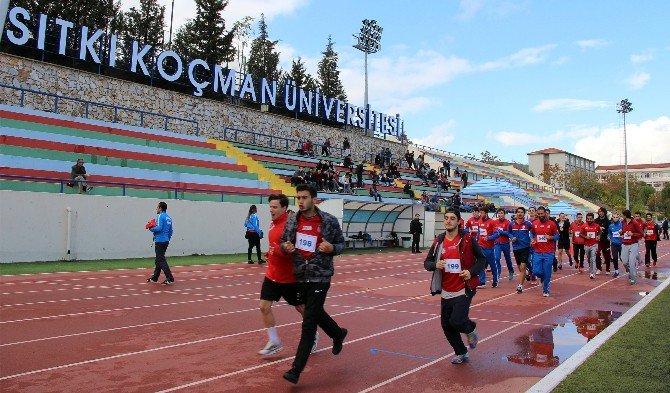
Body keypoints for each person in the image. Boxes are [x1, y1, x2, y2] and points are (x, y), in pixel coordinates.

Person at [280, 184, 348, 384]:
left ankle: (295, 370)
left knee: (309, 323)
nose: (300, 201)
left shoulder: (328, 220)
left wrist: (332, 248)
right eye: (298, 197)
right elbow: (284, 243)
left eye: (304, 197)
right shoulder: (292, 220)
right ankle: (337, 333)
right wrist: (286, 247)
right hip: (300, 275)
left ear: (314, 199)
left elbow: (342, 245)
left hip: (320, 276)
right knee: (314, 312)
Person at [258, 194, 319, 356]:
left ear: (284, 208)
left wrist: (276, 251)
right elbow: (275, 246)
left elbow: (294, 249)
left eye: (275, 207)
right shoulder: (273, 223)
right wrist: (270, 253)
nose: (271, 210)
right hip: (272, 275)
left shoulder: (291, 226)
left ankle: (312, 333)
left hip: (289, 278)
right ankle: (274, 342)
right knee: (264, 306)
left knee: (301, 308)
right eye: (270, 206)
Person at [424, 207, 485, 364]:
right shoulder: (439, 241)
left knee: (457, 321)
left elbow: (482, 260)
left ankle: (470, 328)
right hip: (446, 290)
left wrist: (471, 272)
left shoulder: (467, 239)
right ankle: (461, 353)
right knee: (446, 325)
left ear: (459, 221)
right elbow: (427, 263)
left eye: (452, 218)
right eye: (446, 218)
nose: (448, 221)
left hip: (463, 288)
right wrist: (435, 264)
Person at [529, 206, 560, 297]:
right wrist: (532, 239)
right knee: (535, 271)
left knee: (547, 272)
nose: (540, 215)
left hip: (549, 252)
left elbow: (558, 236)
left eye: (541, 214)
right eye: (538, 214)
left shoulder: (552, 224)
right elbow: (532, 233)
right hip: (537, 251)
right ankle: (543, 278)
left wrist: (551, 237)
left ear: (545, 213)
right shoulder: (534, 223)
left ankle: (546, 289)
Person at [146, 201, 174, 285]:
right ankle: (155, 278)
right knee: (159, 259)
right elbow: (171, 231)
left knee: (160, 260)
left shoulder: (160, 216)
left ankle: (170, 278)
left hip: (160, 241)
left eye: (157, 207)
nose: (156, 209)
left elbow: (159, 228)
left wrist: (150, 228)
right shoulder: (169, 218)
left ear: (160, 208)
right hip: (165, 240)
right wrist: (167, 239)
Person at [509, 207, 533, 293]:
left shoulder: (528, 224)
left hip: (525, 247)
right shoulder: (511, 224)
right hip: (516, 248)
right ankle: (526, 272)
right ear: (516, 213)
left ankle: (520, 286)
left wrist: (532, 239)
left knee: (523, 266)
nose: (520, 214)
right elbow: (509, 232)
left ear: (524, 214)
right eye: (518, 212)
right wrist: (512, 237)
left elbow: (533, 231)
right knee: (520, 267)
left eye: (521, 212)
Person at [476, 206, 499, 288]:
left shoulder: (492, 222)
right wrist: (476, 240)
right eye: (480, 212)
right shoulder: (479, 221)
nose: (480, 214)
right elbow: (479, 232)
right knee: (480, 263)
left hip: (489, 247)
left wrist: (488, 238)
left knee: (492, 264)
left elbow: (497, 234)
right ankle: (482, 282)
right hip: (480, 245)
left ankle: (495, 280)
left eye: (482, 213)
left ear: (486, 213)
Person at [620, 210, 644, 285]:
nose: (622, 216)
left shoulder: (635, 223)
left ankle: (633, 278)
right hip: (624, 244)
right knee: (624, 261)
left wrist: (632, 234)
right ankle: (630, 271)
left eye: (622, 215)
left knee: (632, 262)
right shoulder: (623, 222)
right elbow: (624, 231)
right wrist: (621, 232)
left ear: (625, 215)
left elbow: (641, 234)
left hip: (633, 244)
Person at [493, 209, 514, 281]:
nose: (500, 215)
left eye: (501, 213)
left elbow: (509, 233)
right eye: (499, 213)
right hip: (497, 243)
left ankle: (511, 271)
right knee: (497, 258)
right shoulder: (495, 222)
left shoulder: (508, 222)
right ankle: (498, 273)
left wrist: (501, 232)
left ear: (504, 214)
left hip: (505, 243)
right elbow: (493, 231)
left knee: (508, 259)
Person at [581, 212, 602, 280]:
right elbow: (580, 234)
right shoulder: (584, 226)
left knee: (593, 258)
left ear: (593, 219)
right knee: (589, 258)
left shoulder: (596, 226)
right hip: (586, 245)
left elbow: (600, 231)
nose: (589, 220)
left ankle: (592, 273)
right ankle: (591, 268)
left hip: (594, 244)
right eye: (588, 219)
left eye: (590, 219)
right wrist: (585, 237)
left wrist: (599, 236)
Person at [594, 207, 611, 274]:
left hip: (606, 240)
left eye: (602, 212)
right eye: (599, 211)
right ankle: (598, 268)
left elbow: (610, 231)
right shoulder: (596, 221)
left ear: (604, 212)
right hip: (598, 240)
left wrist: (603, 230)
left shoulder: (608, 221)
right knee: (597, 253)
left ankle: (607, 269)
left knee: (607, 255)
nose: (600, 213)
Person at [607, 213, 623, 278]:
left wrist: (622, 234)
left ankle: (628, 268)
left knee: (622, 258)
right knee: (615, 258)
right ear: (612, 218)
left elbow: (625, 232)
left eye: (616, 217)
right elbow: (609, 233)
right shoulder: (611, 226)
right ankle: (616, 271)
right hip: (614, 244)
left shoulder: (622, 225)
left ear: (619, 218)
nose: (615, 218)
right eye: (614, 217)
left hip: (621, 244)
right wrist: (608, 236)